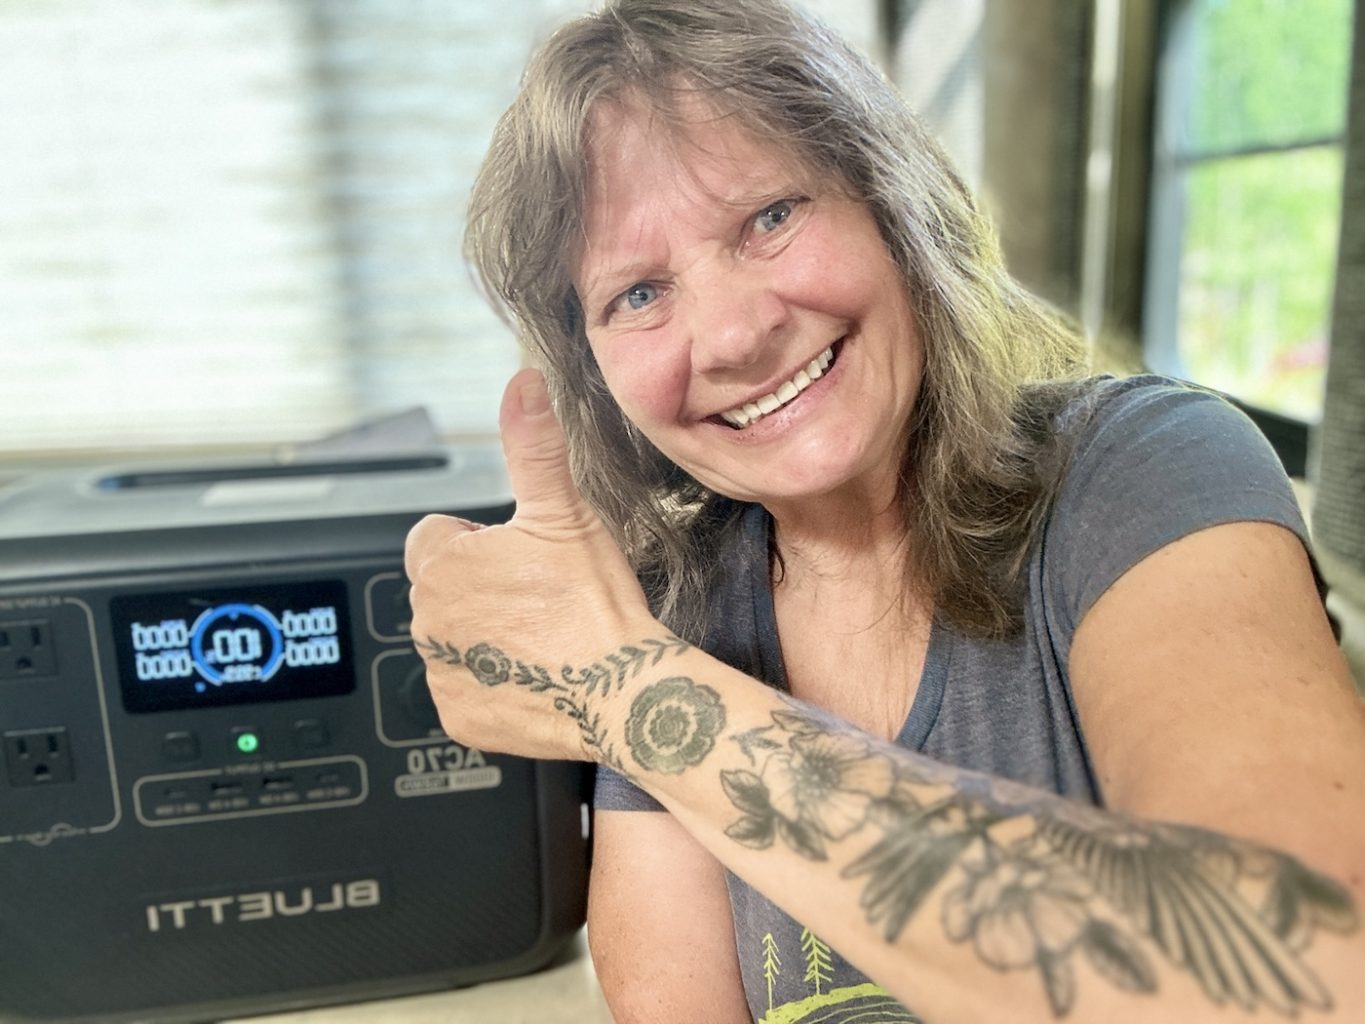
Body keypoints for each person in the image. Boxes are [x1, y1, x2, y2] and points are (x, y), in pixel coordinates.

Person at [403, 1, 1365, 1020]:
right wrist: (628, 665)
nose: (732, 335)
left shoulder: (1146, 469)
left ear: (890, 204)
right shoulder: (673, 603)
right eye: (637, 293)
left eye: (770, 217)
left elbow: (1305, 973)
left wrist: (628, 693)